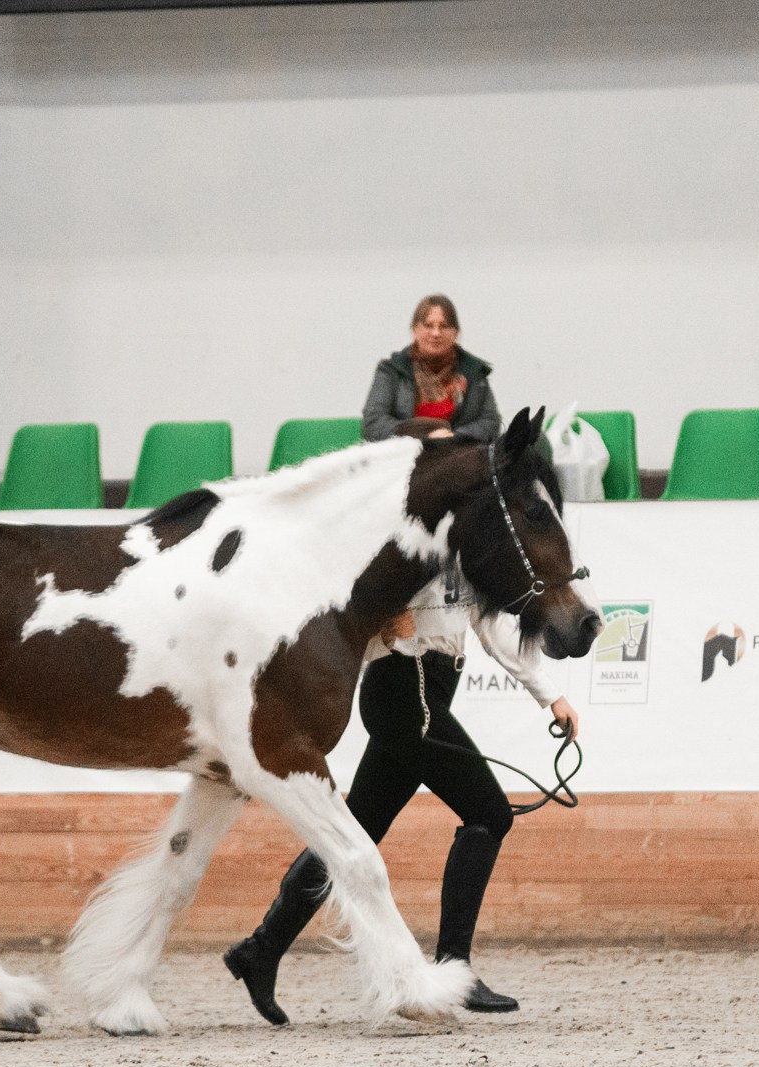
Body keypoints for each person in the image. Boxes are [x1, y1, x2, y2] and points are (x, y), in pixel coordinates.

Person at [224, 295, 577, 1024]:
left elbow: (486, 625)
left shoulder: (466, 544)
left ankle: (262, 948)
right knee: (487, 814)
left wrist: (550, 694)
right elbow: (366, 600)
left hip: (424, 692)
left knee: (349, 831)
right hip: (405, 686)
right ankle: (454, 967)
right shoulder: (402, 532)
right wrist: (391, 624)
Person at [361, 294, 501, 445]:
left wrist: (453, 437)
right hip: (404, 459)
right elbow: (373, 423)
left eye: (444, 326)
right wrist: (424, 437)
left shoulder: (474, 371)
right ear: (415, 330)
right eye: (428, 325)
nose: (436, 333)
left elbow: (490, 422)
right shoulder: (392, 370)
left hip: (460, 458)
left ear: (456, 332)